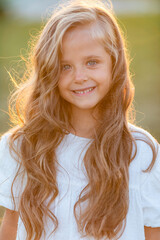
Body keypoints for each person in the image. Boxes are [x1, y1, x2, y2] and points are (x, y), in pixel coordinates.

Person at [0, 0, 160, 239]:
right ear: (48, 71)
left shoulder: (141, 152)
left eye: (92, 62)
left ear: (114, 64)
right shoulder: (21, 146)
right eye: (65, 66)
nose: (80, 77)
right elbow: (10, 227)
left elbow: (152, 232)